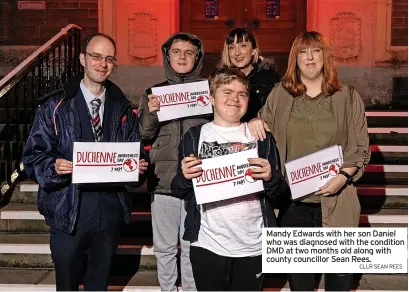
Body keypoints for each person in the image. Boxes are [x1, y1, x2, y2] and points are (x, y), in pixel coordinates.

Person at [22, 33, 148, 291]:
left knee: (98, 285)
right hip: (68, 209)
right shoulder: (54, 106)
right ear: (82, 58)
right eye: (96, 56)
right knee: (67, 285)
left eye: (109, 58)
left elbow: (136, 154)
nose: (102, 63)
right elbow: (32, 157)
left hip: (108, 211)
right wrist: (53, 167)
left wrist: (139, 167)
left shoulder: (123, 108)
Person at [248, 31, 371, 291]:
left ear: (325, 56)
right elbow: (261, 123)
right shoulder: (281, 94)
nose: (310, 57)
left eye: (316, 51)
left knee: (339, 282)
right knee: (300, 284)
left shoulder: (347, 96)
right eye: (303, 52)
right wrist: (255, 120)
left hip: (337, 202)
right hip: (294, 204)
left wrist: (343, 177)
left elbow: (359, 147)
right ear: (295, 58)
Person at [170, 67, 283, 291]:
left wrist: (270, 178)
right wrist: (184, 177)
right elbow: (177, 189)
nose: (235, 99)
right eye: (227, 92)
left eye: (242, 94)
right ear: (211, 98)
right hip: (207, 243)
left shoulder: (260, 137)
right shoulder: (194, 137)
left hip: (252, 244)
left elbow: (279, 193)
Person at [138, 32, 210, 291]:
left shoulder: (207, 92)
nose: (182, 57)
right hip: (164, 181)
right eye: (177, 52)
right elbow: (143, 134)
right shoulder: (153, 94)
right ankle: (168, 289)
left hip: (198, 182)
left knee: (192, 245)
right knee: (165, 247)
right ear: (167, 56)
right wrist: (152, 112)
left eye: (189, 53)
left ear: (198, 58)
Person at [218, 27, 280, 122]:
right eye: (232, 47)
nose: (237, 53)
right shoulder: (219, 79)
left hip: (260, 132)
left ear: (254, 50)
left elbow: (278, 112)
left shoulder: (269, 77)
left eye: (243, 46)